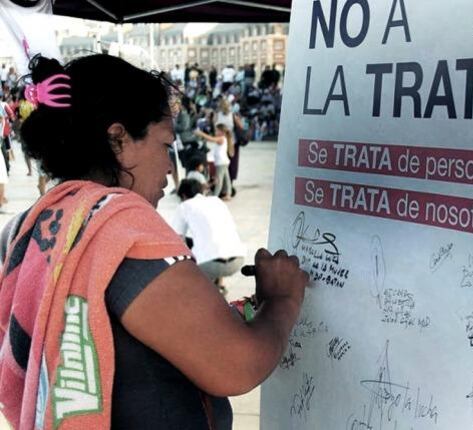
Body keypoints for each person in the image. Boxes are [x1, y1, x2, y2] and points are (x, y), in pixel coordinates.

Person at [0, 54, 308, 430]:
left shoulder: (29, 227)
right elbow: (238, 365)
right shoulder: (119, 225)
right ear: (118, 139)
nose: (168, 167)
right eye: (164, 145)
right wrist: (283, 300)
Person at [173, 178, 246, 292]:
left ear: (183, 195)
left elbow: (178, 240)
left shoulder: (184, 206)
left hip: (209, 265)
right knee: (215, 239)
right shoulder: (217, 201)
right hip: (237, 259)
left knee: (188, 248)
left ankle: (206, 288)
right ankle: (220, 284)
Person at [195, 123, 233, 199]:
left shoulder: (221, 138)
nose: (215, 132)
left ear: (222, 132)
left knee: (219, 180)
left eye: (217, 130)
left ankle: (215, 196)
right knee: (226, 179)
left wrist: (201, 133)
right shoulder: (223, 138)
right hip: (223, 162)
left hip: (221, 163)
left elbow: (211, 139)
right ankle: (228, 194)